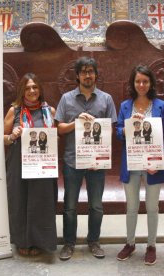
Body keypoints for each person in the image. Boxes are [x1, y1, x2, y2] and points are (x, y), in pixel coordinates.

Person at [55, 56, 117, 260]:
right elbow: (60, 129)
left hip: (97, 162)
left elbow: (111, 129)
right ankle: (69, 244)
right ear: (77, 75)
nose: (87, 75)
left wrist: (98, 156)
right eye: (83, 71)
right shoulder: (66, 98)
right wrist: (76, 122)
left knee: (96, 206)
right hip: (72, 161)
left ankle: (94, 241)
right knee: (70, 206)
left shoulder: (106, 99)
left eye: (91, 71)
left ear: (96, 74)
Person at [115, 65, 164, 264]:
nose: (141, 85)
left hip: (152, 166)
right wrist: (129, 124)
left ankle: (151, 245)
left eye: (145, 81)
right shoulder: (125, 106)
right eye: (138, 81)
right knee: (131, 207)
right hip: (131, 164)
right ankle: (130, 243)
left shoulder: (161, 106)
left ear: (151, 83)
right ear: (133, 83)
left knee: (152, 207)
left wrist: (157, 161)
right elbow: (118, 132)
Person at [4, 73, 57, 256]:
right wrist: (12, 136)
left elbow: (56, 136)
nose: (32, 91)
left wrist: (53, 137)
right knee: (20, 201)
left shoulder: (49, 111)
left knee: (41, 203)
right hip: (19, 164)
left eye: (35, 87)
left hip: (43, 164)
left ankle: (40, 243)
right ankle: (22, 241)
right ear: (22, 91)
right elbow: (1, 139)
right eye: (27, 88)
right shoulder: (14, 111)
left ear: (40, 89)